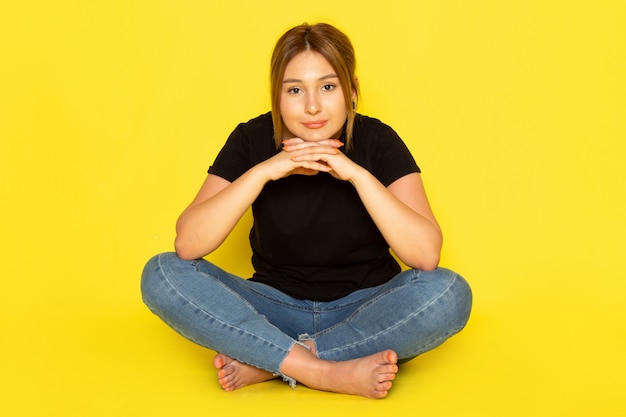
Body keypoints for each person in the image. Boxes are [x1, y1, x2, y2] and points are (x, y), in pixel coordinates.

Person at [141, 22, 472, 399]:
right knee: (161, 273)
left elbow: (426, 255)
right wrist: (263, 172)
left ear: (351, 91)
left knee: (450, 293)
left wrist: (357, 176)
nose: (312, 106)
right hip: (273, 309)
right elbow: (188, 245)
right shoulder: (251, 138)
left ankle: (273, 361)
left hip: (364, 309)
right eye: (295, 90)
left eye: (328, 87)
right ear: (277, 97)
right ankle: (324, 371)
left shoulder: (378, 140)